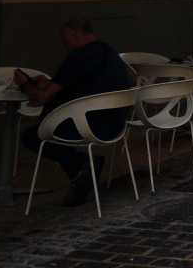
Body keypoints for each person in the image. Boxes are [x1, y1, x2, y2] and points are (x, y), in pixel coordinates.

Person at [14, 17, 132, 207]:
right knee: (58, 128)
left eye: (64, 40)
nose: (63, 45)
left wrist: (25, 84)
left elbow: (44, 98)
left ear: (75, 36)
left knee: (32, 135)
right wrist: (47, 85)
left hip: (89, 126)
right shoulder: (109, 52)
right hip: (117, 124)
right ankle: (80, 172)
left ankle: (80, 165)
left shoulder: (77, 58)